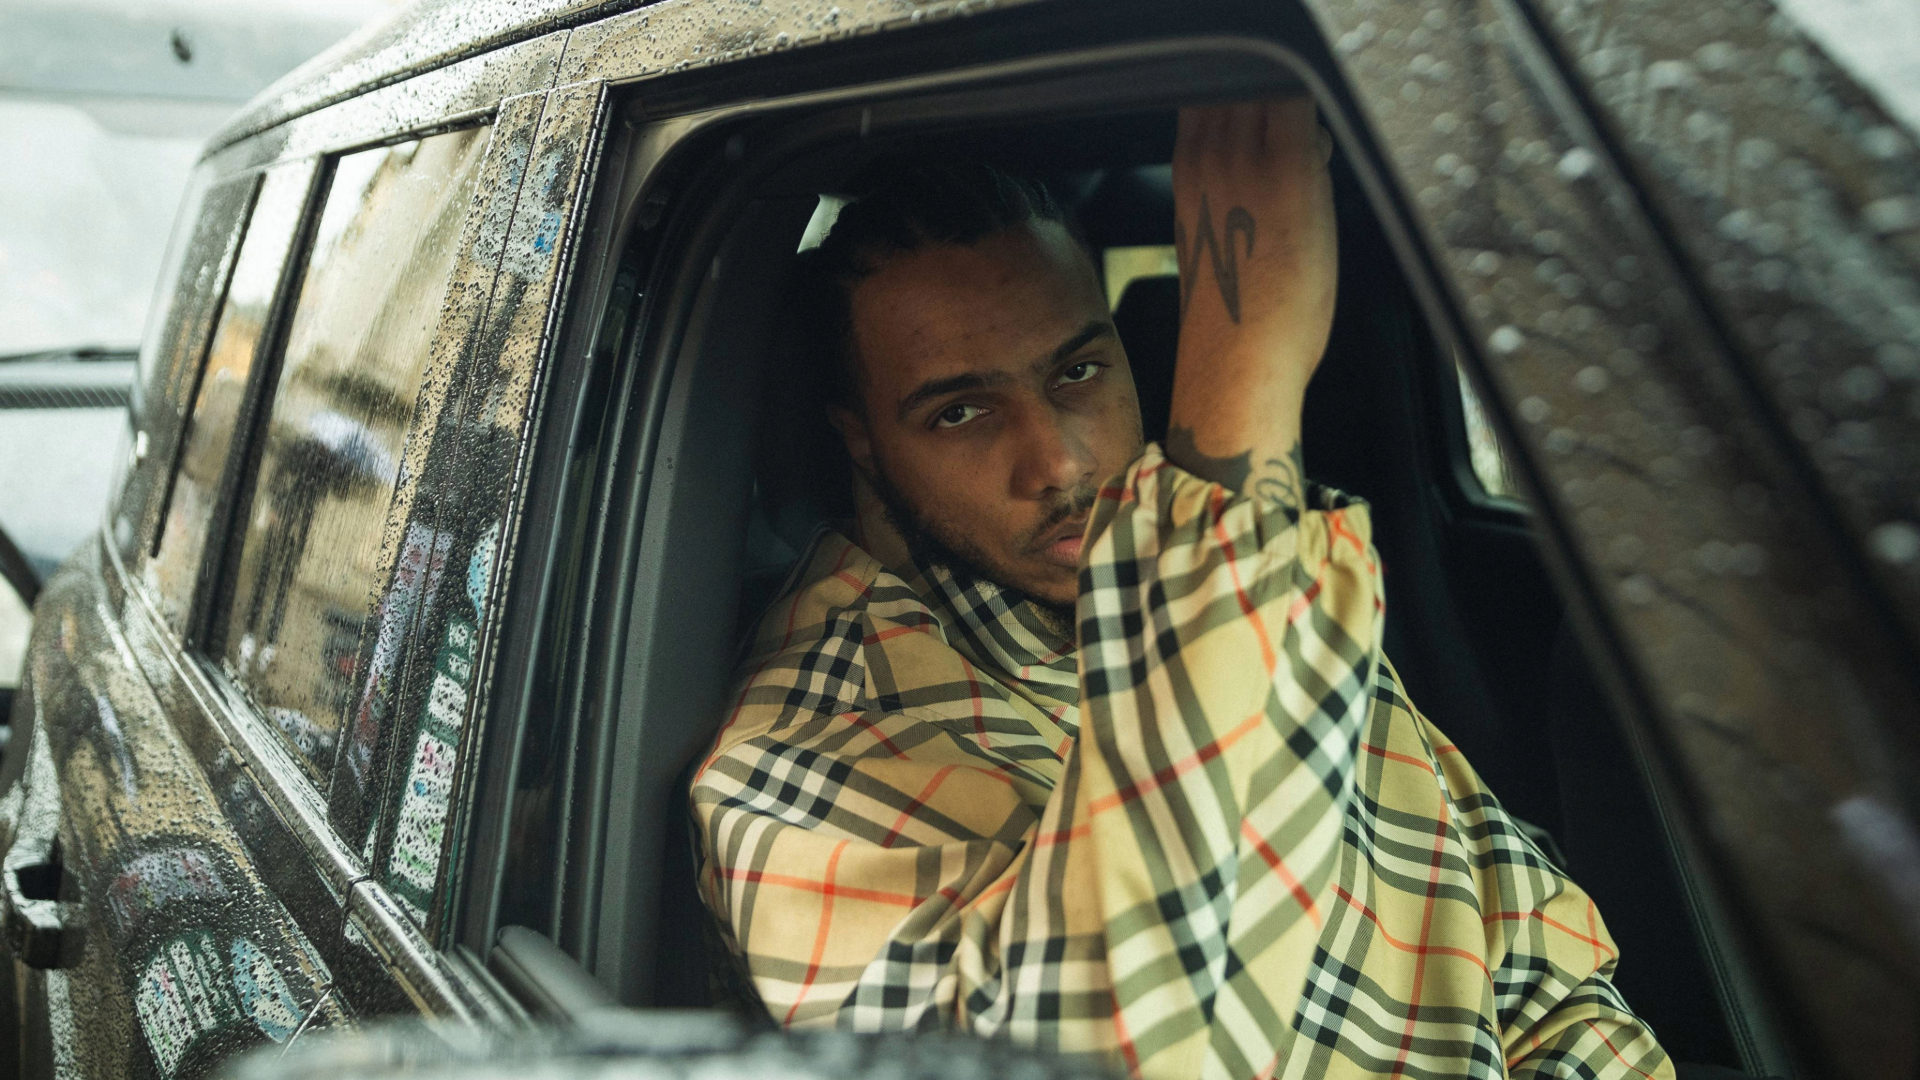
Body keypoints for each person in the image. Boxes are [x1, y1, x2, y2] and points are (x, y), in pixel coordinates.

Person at [691, 99, 1672, 1080]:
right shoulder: (799, 755)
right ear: (862, 442)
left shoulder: (1261, 584)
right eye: (961, 412)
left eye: (1078, 371)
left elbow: (1539, 968)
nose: (1058, 462)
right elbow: (1071, 1058)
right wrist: (1245, 371)